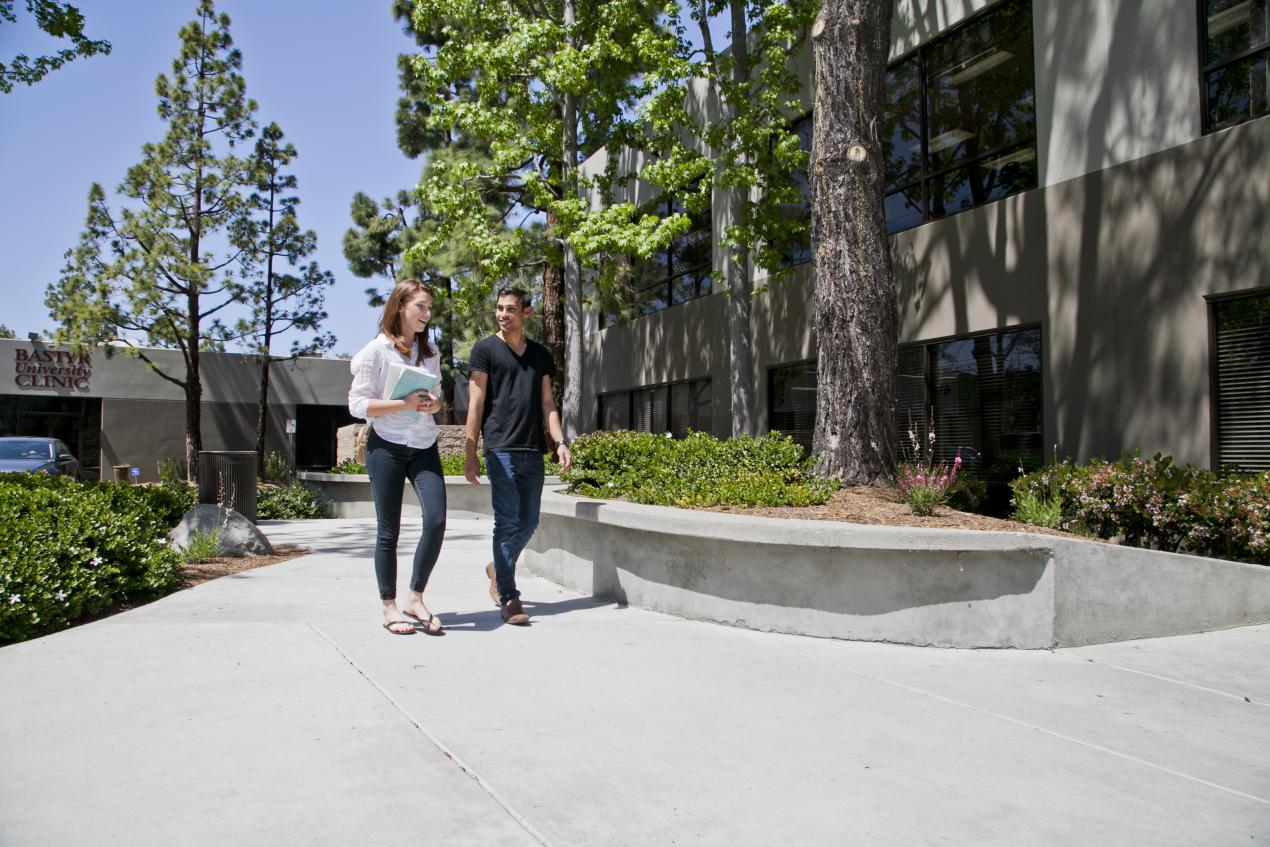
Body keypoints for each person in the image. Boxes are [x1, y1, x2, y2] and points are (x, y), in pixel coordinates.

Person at [464, 286, 571, 625]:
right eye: (499, 308)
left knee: (529, 522)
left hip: (532, 451)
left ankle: (497, 568)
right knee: (506, 522)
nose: (502, 314)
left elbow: (548, 404)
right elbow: (476, 403)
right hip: (500, 449)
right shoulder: (484, 350)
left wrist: (560, 441)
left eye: (510, 309)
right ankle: (509, 597)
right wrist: (471, 451)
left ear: (527, 313)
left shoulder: (540, 355)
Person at [348, 278, 447, 636]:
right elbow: (357, 404)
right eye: (421, 306)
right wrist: (402, 404)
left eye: (429, 307)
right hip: (386, 446)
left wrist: (433, 403)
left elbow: (435, 396)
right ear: (401, 306)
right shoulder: (376, 351)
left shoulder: (431, 353)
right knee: (388, 531)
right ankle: (389, 607)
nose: (427, 313)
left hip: (423, 444)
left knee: (435, 520)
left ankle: (415, 598)